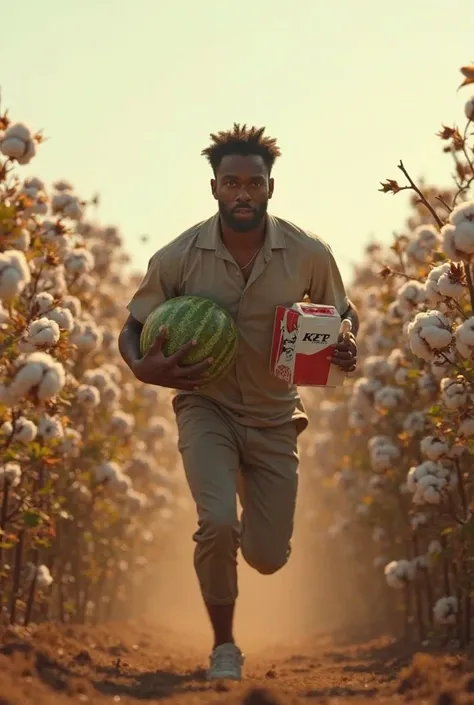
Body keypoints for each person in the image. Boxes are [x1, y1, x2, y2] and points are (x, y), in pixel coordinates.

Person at [118, 124, 359, 681]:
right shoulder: (177, 257)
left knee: (268, 557)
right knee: (218, 523)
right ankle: (224, 645)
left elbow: (341, 316)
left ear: (271, 188)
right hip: (208, 407)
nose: (243, 194)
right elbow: (130, 326)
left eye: (254, 183)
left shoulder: (307, 253)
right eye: (232, 183)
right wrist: (140, 366)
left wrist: (345, 345)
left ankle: (255, 513)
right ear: (214, 188)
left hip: (277, 416)